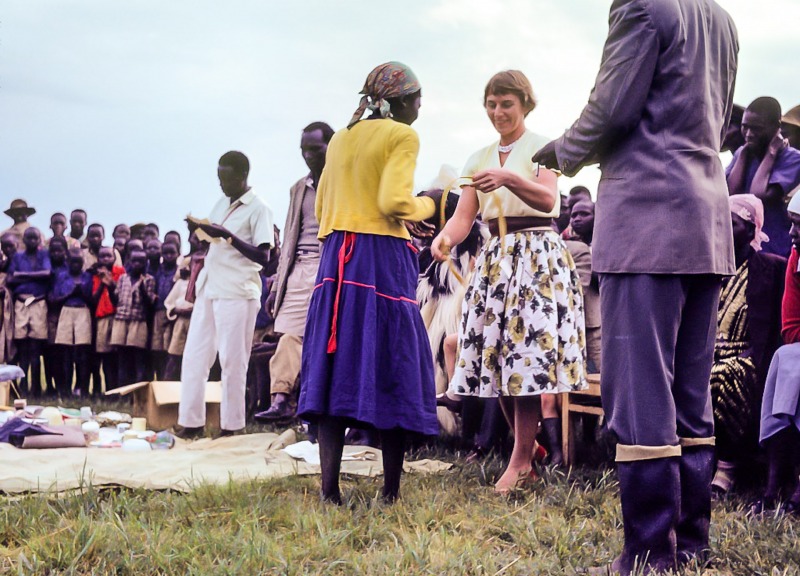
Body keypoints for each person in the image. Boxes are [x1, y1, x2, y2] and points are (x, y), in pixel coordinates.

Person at [532, 0, 738, 572]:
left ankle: (650, 556)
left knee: (642, 395)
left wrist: (563, 151)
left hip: (648, 215)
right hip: (705, 220)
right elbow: (717, 124)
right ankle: (691, 544)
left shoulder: (642, 6)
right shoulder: (721, 19)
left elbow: (612, 107)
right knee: (691, 399)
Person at [430, 69, 586, 490]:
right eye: (492, 104)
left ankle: (519, 464)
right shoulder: (478, 156)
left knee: (527, 358)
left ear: (525, 105)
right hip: (496, 257)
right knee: (497, 358)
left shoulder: (542, 148)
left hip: (535, 252)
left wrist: (510, 178)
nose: (498, 112)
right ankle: (526, 447)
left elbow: (549, 200)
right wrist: (444, 238)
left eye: (507, 104)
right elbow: (465, 217)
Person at [297, 61, 438, 504]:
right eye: (417, 98)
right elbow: (394, 200)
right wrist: (430, 207)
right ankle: (390, 491)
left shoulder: (341, 138)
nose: (420, 106)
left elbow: (322, 208)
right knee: (391, 363)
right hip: (380, 260)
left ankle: (329, 491)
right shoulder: (403, 135)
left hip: (336, 260)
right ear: (399, 101)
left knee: (333, 364)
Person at [175, 151, 273, 438]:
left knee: (232, 361)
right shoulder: (222, 202)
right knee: (194, 356)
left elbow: (264, 255)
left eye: (226, 179)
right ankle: (191, 423)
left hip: (238, 292)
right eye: (218, 178)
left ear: (242, 177)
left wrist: (227, 235)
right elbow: (215, 240)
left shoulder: (259, 209)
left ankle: (232, 427)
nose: (221, 184)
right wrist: (201, 230)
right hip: (210, 287)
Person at [256, 121, 334, 422]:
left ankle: (313, 410)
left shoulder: (343, 183)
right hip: (298, 269)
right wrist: (278, 284)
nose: (308, 155)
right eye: (304, 150)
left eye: (315, 149)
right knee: (289, 337)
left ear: (331, 146)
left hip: (330, 268)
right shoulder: (298, 188)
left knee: (322, 342)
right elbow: (289, 236)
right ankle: (281, 400)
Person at [709, 195, 785, 496]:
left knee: (727, 375)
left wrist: (753, 354)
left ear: (752, 228)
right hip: (702, 352)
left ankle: (727, 467)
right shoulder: (708, 265)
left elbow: (777, 324)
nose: (726, 228)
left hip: (746, 356)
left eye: (735, 223)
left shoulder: (770, 267)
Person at [753, 192, 800, 515]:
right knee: (786, 362)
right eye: (792, 225)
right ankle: (774, 487)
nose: (793, 234)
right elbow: (791, 326)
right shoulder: (797, 257)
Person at [727, 97, 800, 257]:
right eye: (745, 127)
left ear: (776, 128)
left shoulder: (793, 159)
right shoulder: (743, 154)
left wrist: (771, 155)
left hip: (774, 251)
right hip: (743, 252)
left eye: (757, 129)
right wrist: (745, 153)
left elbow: (756, 198)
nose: (749, 134)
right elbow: (732, 196)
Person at [6, 227, 52, 397]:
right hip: (21, 303)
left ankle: (36, 388)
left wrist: (23, 275)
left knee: (36, 346)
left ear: (39, 240)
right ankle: (23, 387)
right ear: (23, 240)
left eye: (35, 238)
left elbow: (47, 274)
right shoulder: (18, 256)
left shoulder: (44, 255)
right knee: (22, 346)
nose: (32, 241)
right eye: (29, 238)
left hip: (38, 302)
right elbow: (11, 278)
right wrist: (34, 275)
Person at [49, 248, 93, 397]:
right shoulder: (61, 276)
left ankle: (81, 388)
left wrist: (82, 294)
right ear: (67, 262)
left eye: (79, 262)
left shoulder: (88, 276)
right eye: (73, 261)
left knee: (82, 352)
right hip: (66, 310)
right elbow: (54, 298)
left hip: (83, 311)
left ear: (83, 262)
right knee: (66, 352)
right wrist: (69, 294)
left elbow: (92, 299)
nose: (76, 265)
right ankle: (66, 389)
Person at [110, 250, 156, 386]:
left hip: (138, 321)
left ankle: (136, 393)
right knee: (122, 358)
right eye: (134, 261)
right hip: (121, 320)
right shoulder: (123, 278)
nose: (137, 264)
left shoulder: (149, 280)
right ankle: (122, 392)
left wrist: (142, 289)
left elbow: (149, 305)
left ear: (145, 263)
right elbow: (116, 299)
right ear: (129, 262)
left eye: (141, 262)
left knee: (138, 358)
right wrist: (108, 286)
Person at [565, 198, 601, 372]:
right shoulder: (570, 246)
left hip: (597, 322)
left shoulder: (605, 243)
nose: (577, 219)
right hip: (578, 321)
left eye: (584, 214)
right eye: (573, 215)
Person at [91, 245, 125, 393]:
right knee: (105, 357)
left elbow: (119, 297)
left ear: (114, 258)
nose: (105, 259)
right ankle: (108, 390)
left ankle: (118, 390)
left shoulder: (120, 273)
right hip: (102, 318)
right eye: (102, 256)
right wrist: (101, 281)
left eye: (108, 256)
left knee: (117, 356)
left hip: (117, 317)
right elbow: (93, 300)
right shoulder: (95, 276)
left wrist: (110, 282)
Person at [151, 241, 179, 379]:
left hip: (174, 314)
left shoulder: (179, 271)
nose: (169, 256)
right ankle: (159, 378)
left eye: (172, 253)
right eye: (165, 253)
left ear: (178, 254)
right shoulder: (158, 271)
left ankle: (169, 380)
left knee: (170, 349)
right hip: (158, 312)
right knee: (157, 348)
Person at [0, 233, 18, 363]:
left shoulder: (22, 262)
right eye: (5, 247)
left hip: (20, 307)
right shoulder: (3, 264)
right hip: (3, 308)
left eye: (11, 246)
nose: (8, 250)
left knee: (13, 343)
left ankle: (15, 381)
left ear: (17, 246)